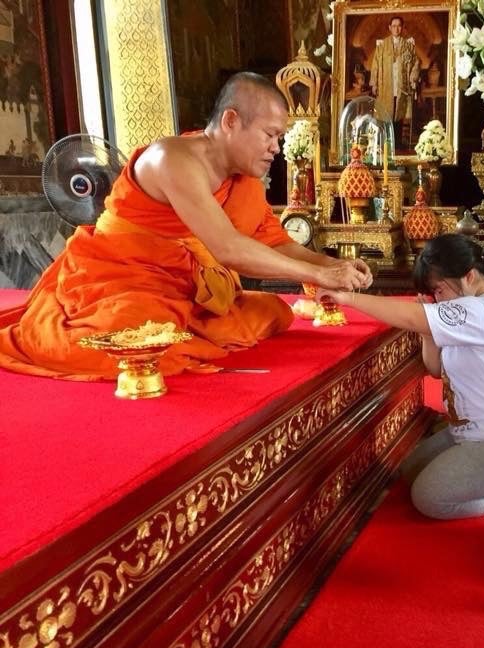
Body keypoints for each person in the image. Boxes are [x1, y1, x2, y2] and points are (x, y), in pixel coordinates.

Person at [0, 72, 372, 381]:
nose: (277, 147)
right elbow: (227, 249)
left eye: (280, 138)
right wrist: (318, 276)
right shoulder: (172, 159)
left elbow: (272, 243)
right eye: (270, 134)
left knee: (275, 311)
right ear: (230, 121)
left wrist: (330, 266)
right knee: (141, 339)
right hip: (120, 280)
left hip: (185, 288)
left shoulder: (244, 180)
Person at [322, 233, 484, 520]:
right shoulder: (466, 311)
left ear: (469, 277)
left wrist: (349, 297)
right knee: (412, 472)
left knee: (429, 498)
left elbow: (409, 316)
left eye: (440, 290)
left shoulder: (483, 311)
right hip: (473, 434)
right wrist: (426, 329)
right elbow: (435, 369)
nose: (437, 299)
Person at [369, 16, 419, 144]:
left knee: (399, 115)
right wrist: (374, 83)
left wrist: (413, 77)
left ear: (402, 28)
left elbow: (415, 62)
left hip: (401, 85)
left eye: (399, 26)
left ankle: (397, 145)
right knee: (386, 114)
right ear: (389, 27)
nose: (396, 28)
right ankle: (386, 145)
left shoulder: (408, 45)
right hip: (386, 85)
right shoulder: (382, 45)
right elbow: (375, 65)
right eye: (394, 26)